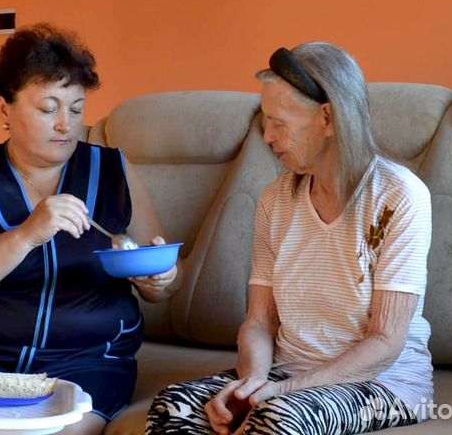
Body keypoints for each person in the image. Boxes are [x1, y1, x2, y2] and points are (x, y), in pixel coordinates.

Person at [146, 43, 433, 435]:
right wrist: (252, 383)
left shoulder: (399, 196)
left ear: (328, 118)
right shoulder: (275, 201)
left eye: (279, 123)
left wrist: (279, 393)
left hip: (384, 383)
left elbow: (385, 341)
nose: (267, 136)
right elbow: (259, 322)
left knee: (276, 418)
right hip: (286, 375)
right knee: (173, 407)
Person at [0, 23, 182, 435]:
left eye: (76, 108)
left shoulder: (113, 171)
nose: (65, 125)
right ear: (4, 109)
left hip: (87, 361)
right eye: (48, 108)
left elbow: (165, 279)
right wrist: (25, 235)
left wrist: (160, 280)